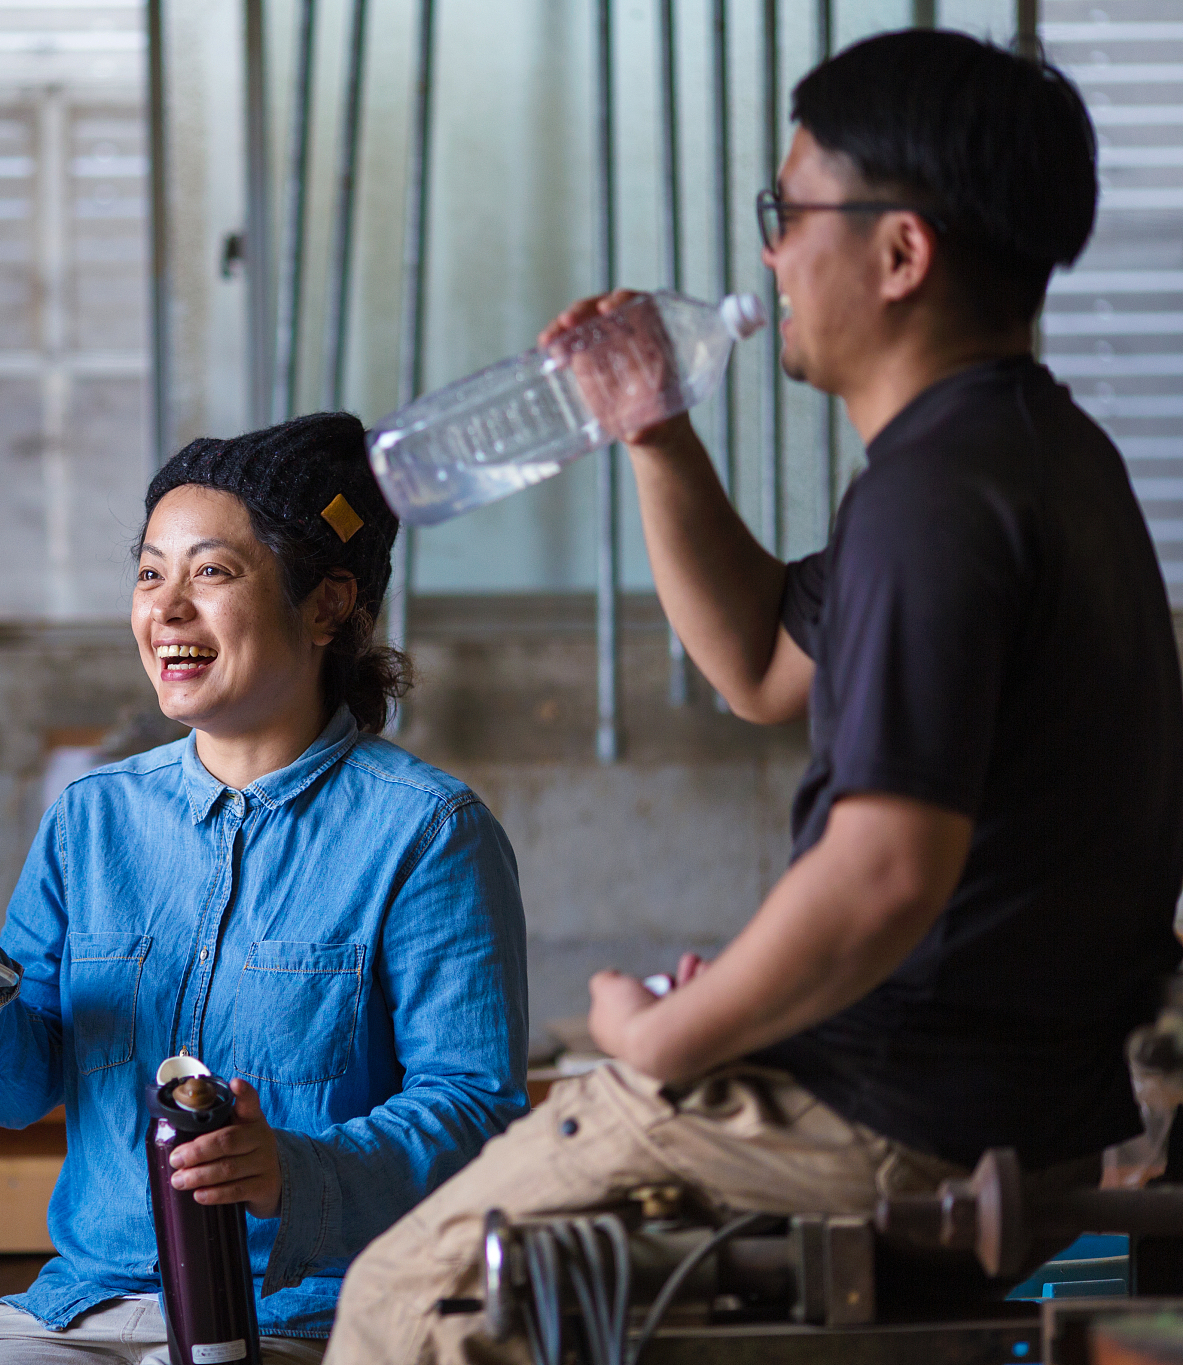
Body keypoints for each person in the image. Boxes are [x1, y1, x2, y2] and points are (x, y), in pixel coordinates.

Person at [326, 29, 1183, 1364]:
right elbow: (758, 665)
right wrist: (652, 428)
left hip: (888, 1121)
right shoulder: (1038, 456)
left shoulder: (934, 501)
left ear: (899, 254)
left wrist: (665, 1037)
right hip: (1015, 1110)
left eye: (790, 213)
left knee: (401, 1301)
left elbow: (884, 871)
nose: (771, 256)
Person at [0, 413, 530, 1362]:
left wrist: (293, 1170)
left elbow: (474, 1111)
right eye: (150, 574)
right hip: (86, 1305)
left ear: (326, 605)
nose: (168, 609)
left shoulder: (429, 833)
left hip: (309, 1316)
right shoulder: (91, 819)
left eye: (211, 572)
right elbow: (26, 1085)